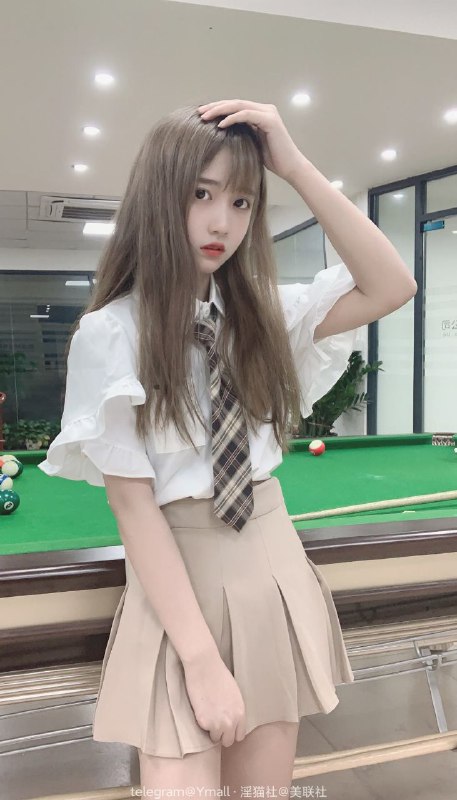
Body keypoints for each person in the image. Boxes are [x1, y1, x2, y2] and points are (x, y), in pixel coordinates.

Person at [38, 99, 417, 795]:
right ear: (160, 197)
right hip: (177, 582)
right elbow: (133, 506)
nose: (222, 223)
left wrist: (293, 165)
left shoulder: (265, 312)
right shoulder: (111, 334)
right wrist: (201, 661)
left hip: (271, 562)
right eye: (201, 194)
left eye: (242, 201)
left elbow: (392, 284)